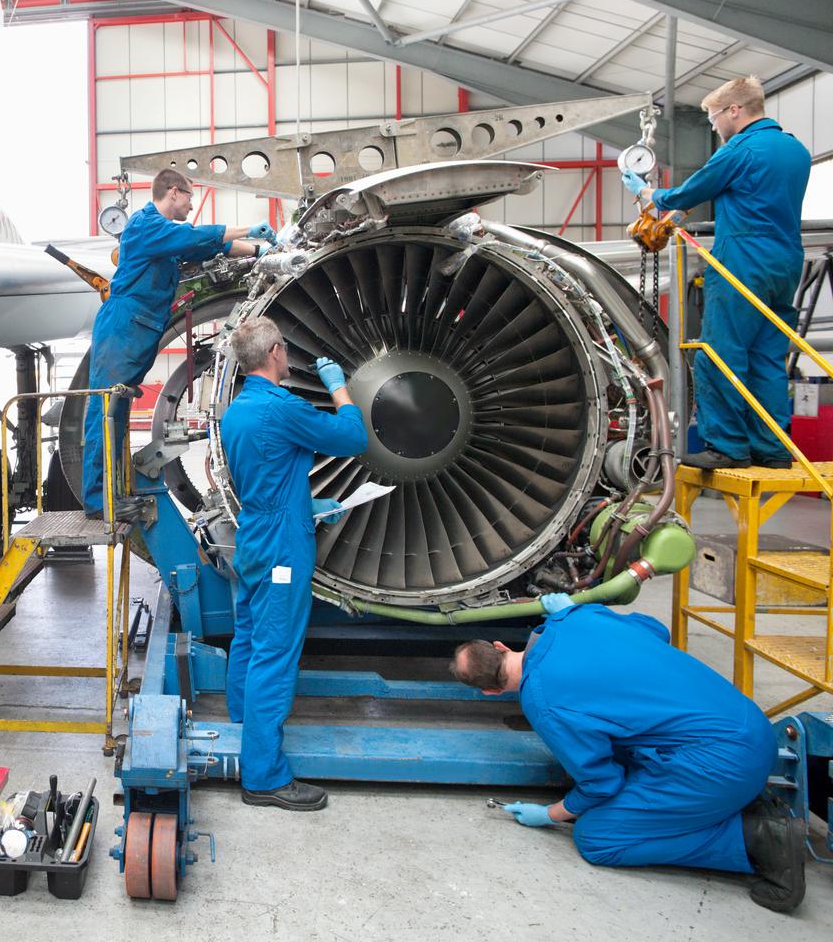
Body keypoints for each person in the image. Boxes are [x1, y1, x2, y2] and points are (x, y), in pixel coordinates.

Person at [450, 595, 805, 912]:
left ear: (489, 693)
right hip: (753, 726)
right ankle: (730, 801)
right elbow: (656, 630)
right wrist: (582, 614)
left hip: (721, 763)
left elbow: (601, 784)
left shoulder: (542, 702)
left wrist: (549, 814)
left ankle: (759, 837)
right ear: (500, 646)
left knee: (597, 838)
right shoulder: (574, 618)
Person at [622, 76, 811, 469]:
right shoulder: (796, 150)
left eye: (713, 117)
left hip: (743, 257)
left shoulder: (740, 149)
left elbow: (686, 193)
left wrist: (644, 192)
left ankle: (726, 446)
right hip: (787, 260)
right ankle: (773, 449)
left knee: (719, 353)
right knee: (767, 357)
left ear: (735, 110)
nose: (714, 126)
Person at [219, 316, 368, 811]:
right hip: (283, 543)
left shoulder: (237, 410)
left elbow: (269, 471)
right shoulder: (280, 407)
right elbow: (351, 437)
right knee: (274, 653)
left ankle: (243, 721)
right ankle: (263, 777)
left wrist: (307, 504)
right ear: (277, 352)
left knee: (248, 632)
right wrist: (339, 387)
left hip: (256, 531)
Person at [78, 168, 275, 520]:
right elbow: (195, 237)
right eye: (189, 197)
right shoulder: (145, 225)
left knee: (116, 412)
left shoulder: (163, 236)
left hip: (136, 331)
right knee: (105, 411)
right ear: (173, 192)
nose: (191, 203)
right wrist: (250, 228)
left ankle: (113, 496)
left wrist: (260, 250)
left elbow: (212, 246)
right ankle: (99, 502)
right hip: (123, 327)